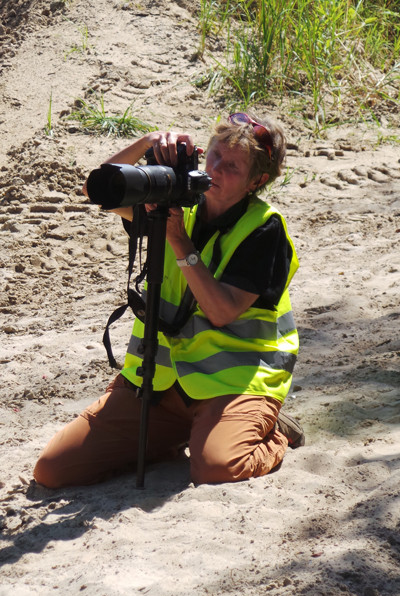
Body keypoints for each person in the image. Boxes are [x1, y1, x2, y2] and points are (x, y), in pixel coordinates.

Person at [34, 112, 304, 489]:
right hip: (158, 382)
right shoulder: (175, 199)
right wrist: (148, 142)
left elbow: (222, 312)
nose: (215, 169)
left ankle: (272, 432)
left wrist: (180, 242)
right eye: (213, 156)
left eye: (231, 166)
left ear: (256, 181)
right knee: (53, 469)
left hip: (234, 383)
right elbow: (97, 189)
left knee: (215, 468)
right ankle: (175, 436)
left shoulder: (264, 228)